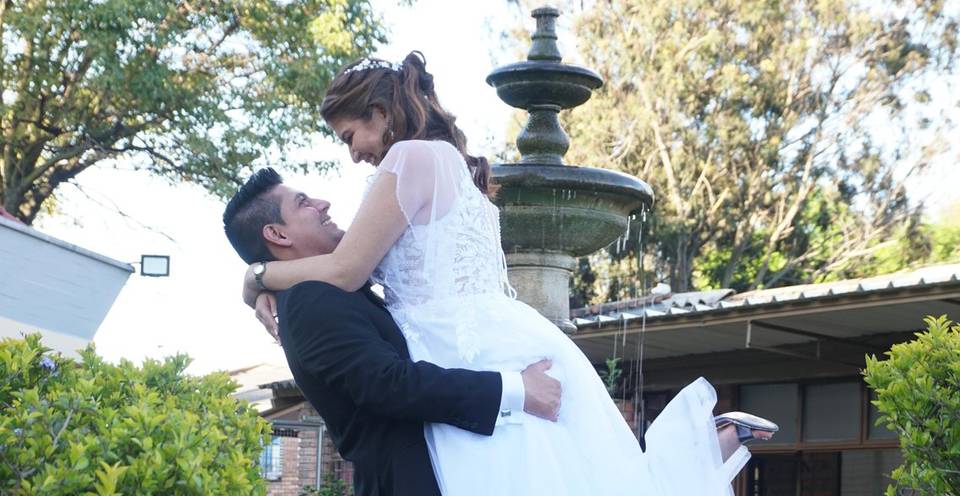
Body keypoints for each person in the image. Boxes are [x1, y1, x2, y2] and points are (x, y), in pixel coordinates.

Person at [242, 52, 776, 495]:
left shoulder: (406, 160)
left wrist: (258, 278)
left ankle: (709, 445)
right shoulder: (443, 160)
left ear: (380, 112)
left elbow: (346, 267)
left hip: (455, 344)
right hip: (480, 332)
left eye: (349, 133)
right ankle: (710, 447)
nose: (354, 152)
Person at [223, 168, 563, 496]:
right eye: (303, 203)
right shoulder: (307, 299)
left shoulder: (340, 287)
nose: (322, 203)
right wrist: (517, 390)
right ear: (277, 234)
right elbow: (388, 384)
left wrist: (257, 279)